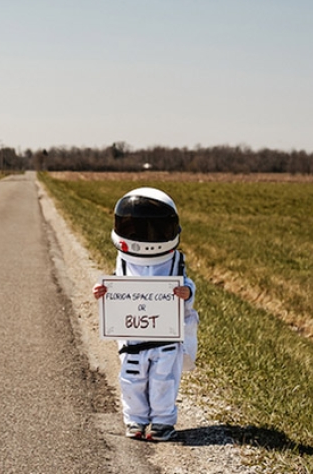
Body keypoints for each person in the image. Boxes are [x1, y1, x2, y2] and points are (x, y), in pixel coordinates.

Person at [92, 187, 198, 441]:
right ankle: (135, 420)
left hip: (166, 337)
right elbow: (117, 286)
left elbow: (187, 285)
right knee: (131, 379)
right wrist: (102, 292)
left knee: (164, 380)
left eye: (153, 228)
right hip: (133, 337)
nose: (146, 234)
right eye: (138, 228)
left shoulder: (174, 261)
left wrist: (187, 292)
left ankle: (162, 421)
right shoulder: (124, 260)